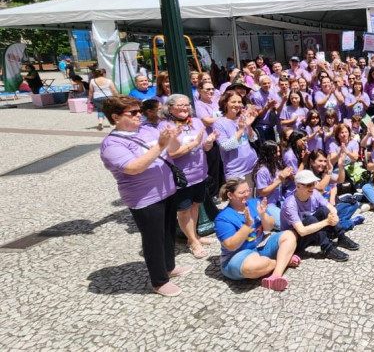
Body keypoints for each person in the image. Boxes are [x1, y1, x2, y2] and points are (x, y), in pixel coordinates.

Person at [99, 95, 189, 297]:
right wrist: (160, 145)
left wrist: (172, 138)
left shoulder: (147, 129)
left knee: (167, 233)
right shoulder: (112, 144)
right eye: (133, 112)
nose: (139, 115)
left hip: (167, 191)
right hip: (144, 198)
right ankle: (159, 281)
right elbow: (133, 167)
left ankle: (168, 267)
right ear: (115, 117)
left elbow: (172, 151)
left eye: (139, 111)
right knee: (153, 239)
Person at [158, 94, 218, 259]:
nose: (184, 108)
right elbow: (172, 153)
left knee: (196, 205)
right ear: (169, 108)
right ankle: (192, 241)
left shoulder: (196, 122)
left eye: (186, 105)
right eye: (180, 105)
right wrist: (194, 143)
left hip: (199, 173)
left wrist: (209, 141)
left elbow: (205, 147)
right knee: (184, 210)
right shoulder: (166, 126)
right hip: (180, 177)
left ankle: (195, 236)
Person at [214, 179, 299, 291]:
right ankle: (284, 261)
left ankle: (276, 275)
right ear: (230, 195)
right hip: (237, 255)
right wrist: (247, 225)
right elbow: (231, 246)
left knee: (290, 235)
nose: (246, 195)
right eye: (241, 193)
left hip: (259, 247)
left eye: (247, 191)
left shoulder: (254, 203)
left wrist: (263, 215)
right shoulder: (223, 218)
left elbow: (269, 227)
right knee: (252, 267)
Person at [281, 170, 356, 262]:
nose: (312, 187)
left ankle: (342, 237)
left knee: (324, 210)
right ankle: (327, 249)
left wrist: (334, 216)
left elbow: (331, 208)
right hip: (294, 241)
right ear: (298, 186)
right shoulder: (290, 204)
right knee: (310, 219)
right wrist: (326, 222)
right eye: (308, 184)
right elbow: (301, 231)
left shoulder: (314, 193)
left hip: (310, 233)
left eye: (313, 183)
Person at [213, 90, 259, 183]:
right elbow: (226, 147)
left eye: (239, 102)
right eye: (233, 102)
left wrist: (249, 126)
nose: (237, 104)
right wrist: (241, 129)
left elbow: (253, 139)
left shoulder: (241, 118)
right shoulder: (219, 123)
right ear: (225, 103)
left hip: (253, 166)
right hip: (236, 172)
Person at [253, 141, 294, 229]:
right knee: (285, 225)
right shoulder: (262, 171)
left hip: (280, 200)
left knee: (296, 218)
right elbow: (263, 192)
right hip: (268, 204)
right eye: (276, 152)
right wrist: (280, 179)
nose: (279, 154)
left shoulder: (275, 165)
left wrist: (287, 175)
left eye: (279, 151)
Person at [249, 74, 282, 142]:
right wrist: (268, 106)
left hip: (270, 125)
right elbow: (259, 115)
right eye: (264, 83)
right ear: (260, 84)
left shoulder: (272, 93)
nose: (267, 85)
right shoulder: (256, 96)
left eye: (268, 83)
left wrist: (273, 107)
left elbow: (275, 109)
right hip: (260, 126)